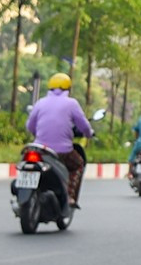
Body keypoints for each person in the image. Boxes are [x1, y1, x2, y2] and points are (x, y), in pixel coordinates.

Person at [26, 72, 94, 209]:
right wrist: (89, 133)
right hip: (62, 152)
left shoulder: (40, 102)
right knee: (78, 164)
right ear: (68, 88)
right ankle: (69, 196)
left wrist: (37, 135)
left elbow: (30, 126)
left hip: (40, 149)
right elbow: (83, 125)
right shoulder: (71, 104)